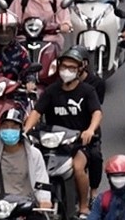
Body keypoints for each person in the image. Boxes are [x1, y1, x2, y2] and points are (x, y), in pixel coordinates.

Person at [25, 48, 103, 210]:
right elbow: (36, 112)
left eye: (71, 68)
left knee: (78, 168)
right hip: (52, 142)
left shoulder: (87, 91)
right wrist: (25, 130)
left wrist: (90, 130)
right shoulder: (51, 91)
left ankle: (83, 206)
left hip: (78, 143)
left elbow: (97, 112)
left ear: (80, 69)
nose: (66, 71)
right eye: (64, 67)